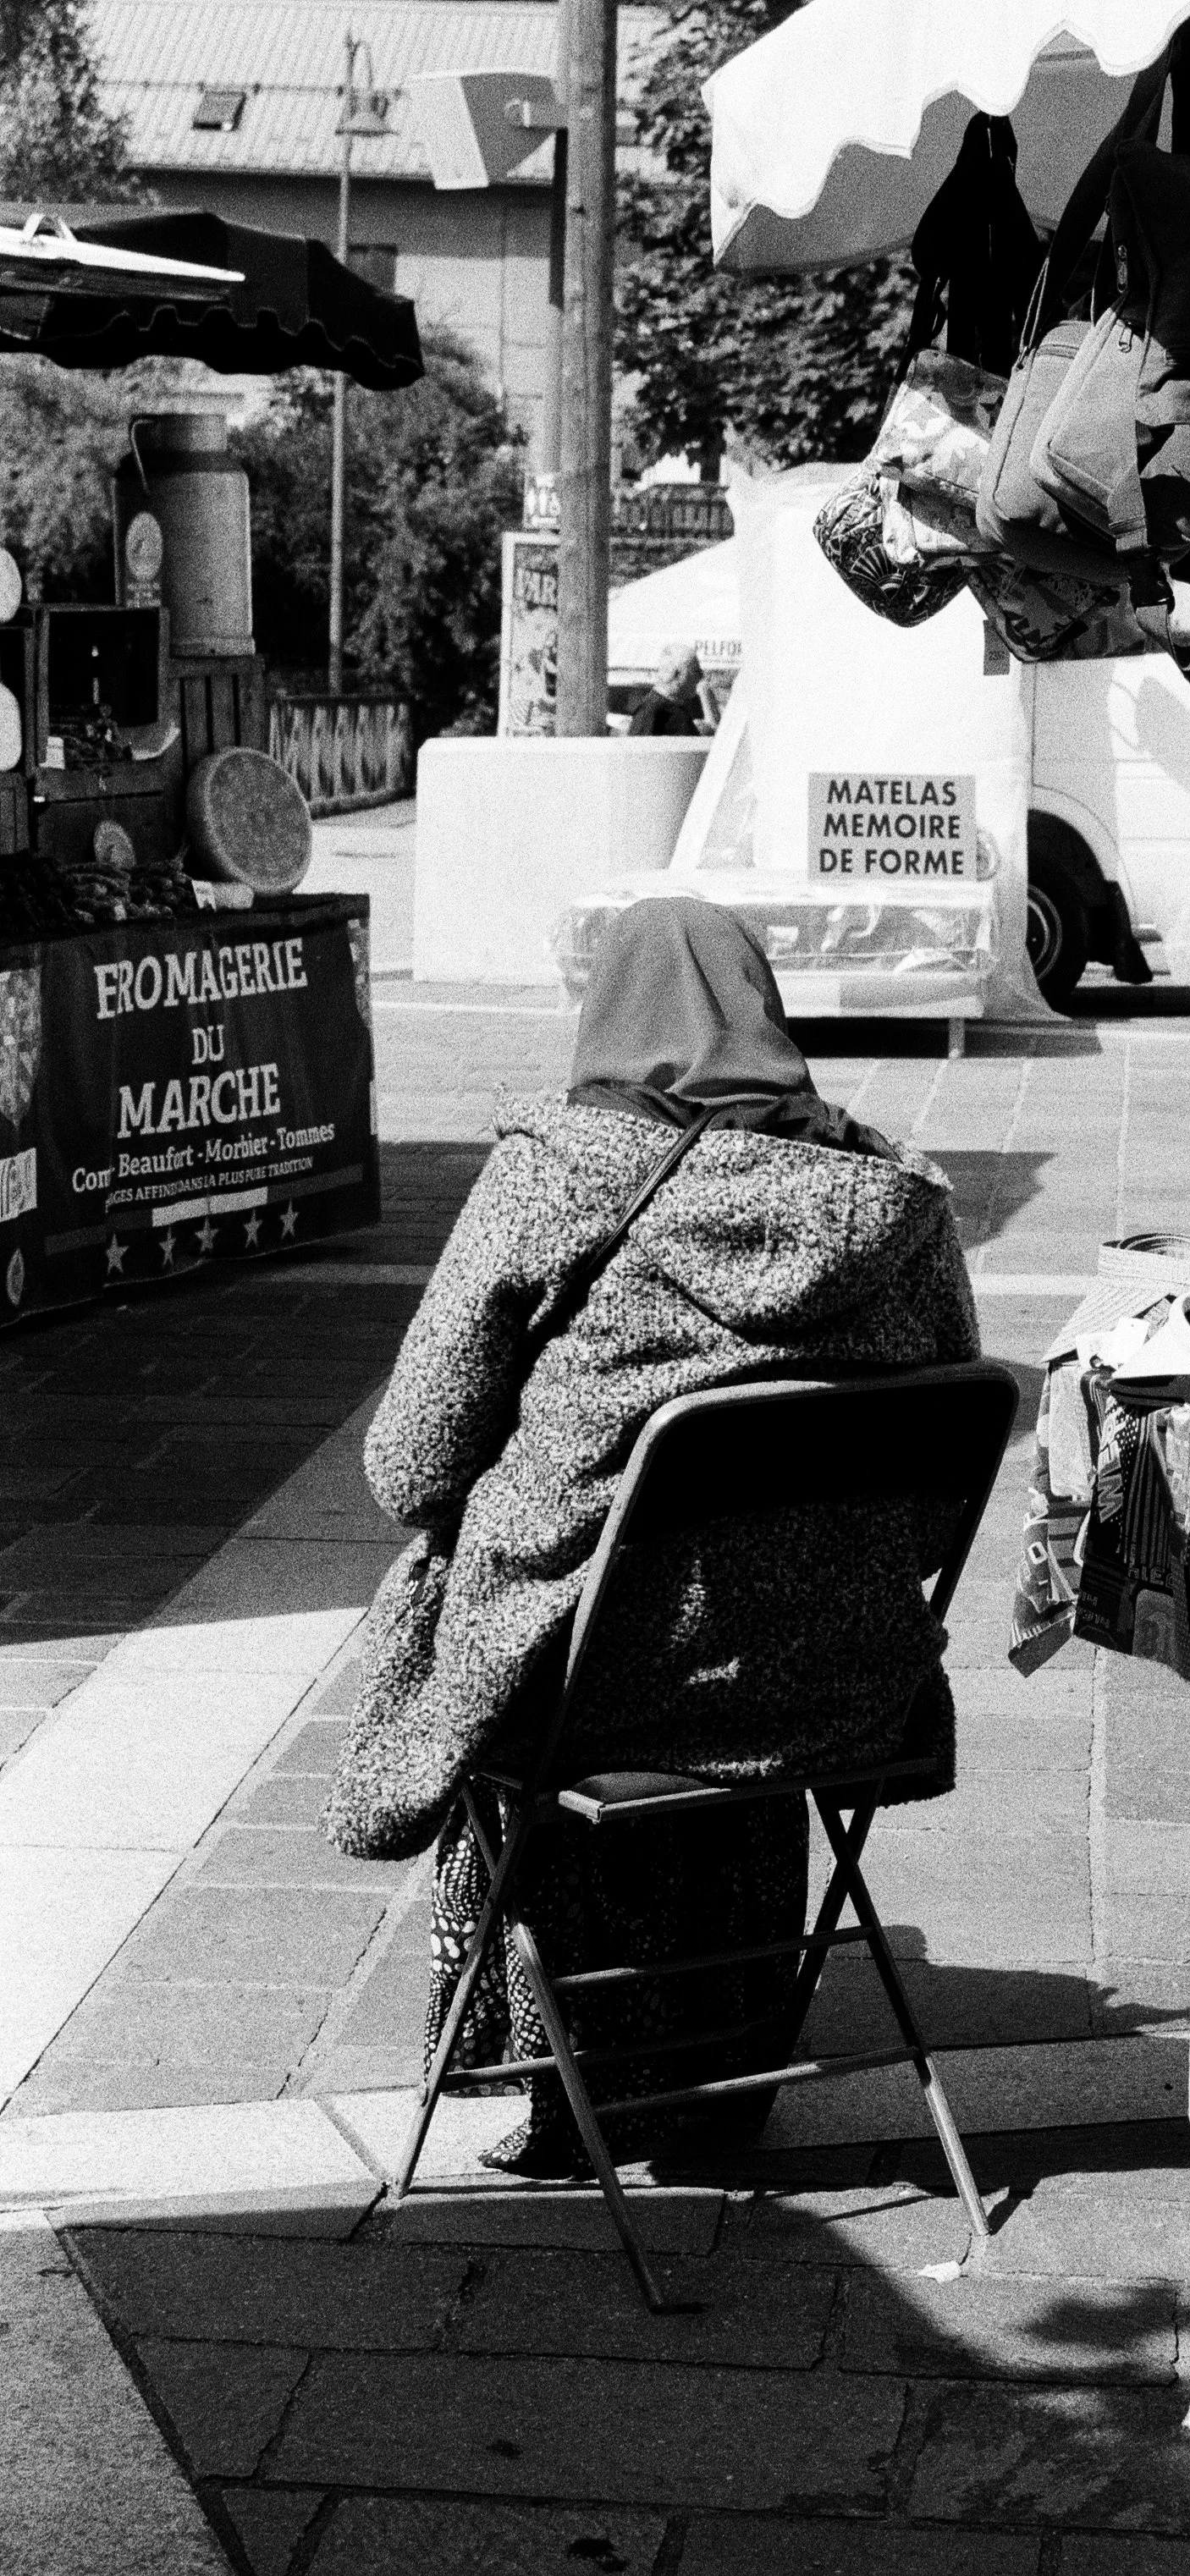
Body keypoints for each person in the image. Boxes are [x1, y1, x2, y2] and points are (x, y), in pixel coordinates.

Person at [322, 898, 979, 2175]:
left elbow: (406, 1464)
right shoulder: (891, 1198)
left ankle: (572, 2068)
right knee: (734, 1605)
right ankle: (719, 2058)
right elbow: (940, 1475)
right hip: (828, 1680)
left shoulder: (550, 1179)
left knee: (486, 1601)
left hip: (590, 1686)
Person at [627, 641, 703, 736]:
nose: (701, 676)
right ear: (675, 673)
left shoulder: (674, 708)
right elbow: (639, 749)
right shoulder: (651, 712)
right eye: (696, 671)